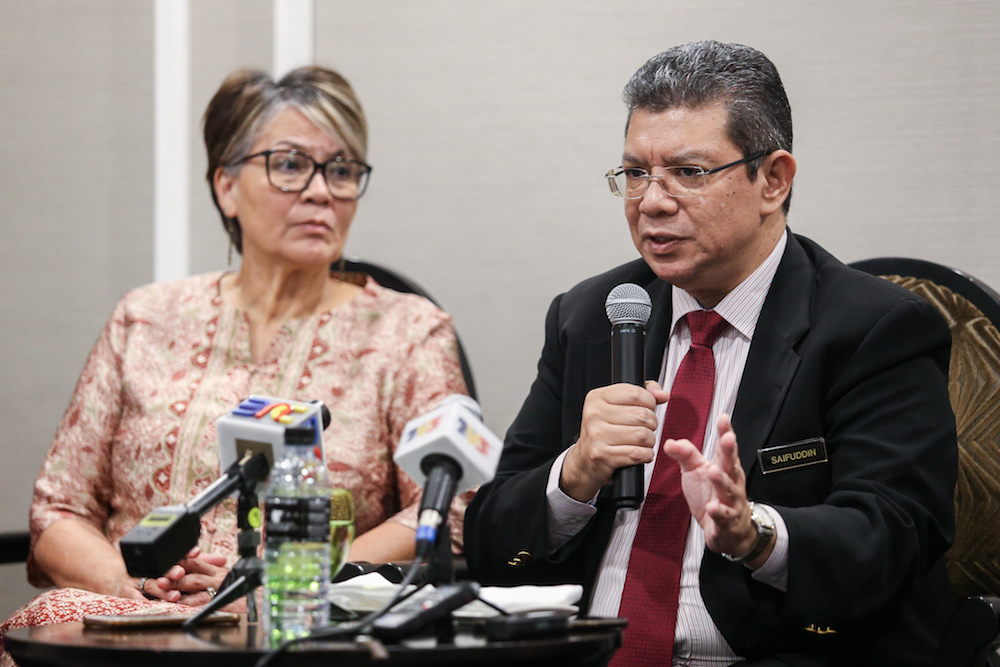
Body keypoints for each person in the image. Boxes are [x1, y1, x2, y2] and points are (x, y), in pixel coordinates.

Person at [464, 41, 958, 666]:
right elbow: (487, 542)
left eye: (688, 173)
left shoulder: (873, 328)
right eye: (635, 173)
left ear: (773, 180)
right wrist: (575, 474)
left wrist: (755, 535)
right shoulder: (592, 315)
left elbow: (894, 538)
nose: (651, 202)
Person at [1, 65, 468, 653]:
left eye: (342, 170)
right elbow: (59, 511)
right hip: (126, 619)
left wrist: (282, 585)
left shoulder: (408, 332)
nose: (322, 190)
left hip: (302, 627)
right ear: (226, 185)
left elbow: (445, 511)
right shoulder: (143, 318)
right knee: (52, 624)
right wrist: (134, 585)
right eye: (291, 164)